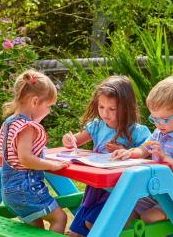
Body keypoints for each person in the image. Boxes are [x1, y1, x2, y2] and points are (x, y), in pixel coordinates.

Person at [62, 76, 151, 237]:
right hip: (97, 184)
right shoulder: (97, 126)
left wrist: (124, 151)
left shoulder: (138, 131)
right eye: (101, 107)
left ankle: (85, 230)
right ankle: (78, 231)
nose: (105, 113)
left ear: (126, 107)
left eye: (112, 109)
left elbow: (149, 158)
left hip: (120, 187)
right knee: (88, 204)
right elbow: (76, 140)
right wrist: (69, 140)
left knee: (93, 221)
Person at [112, 76, 173, 231]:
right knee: (124, 209)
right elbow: (142, 150)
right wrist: (127, 153)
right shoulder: (158, 133)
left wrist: (165, 158)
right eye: (154, 119)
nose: (158, 124)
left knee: (148, 218)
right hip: (157, 193)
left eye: (164, 119)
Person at [0, 69, 70, 234]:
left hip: (9, 192)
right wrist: (52, 165)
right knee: (60, 218)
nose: (49, 111)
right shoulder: (27, 127)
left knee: (36, 230)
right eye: (48, 106)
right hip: (25, 190)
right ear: (35, 101)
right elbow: (25, 158)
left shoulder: (9, 123)